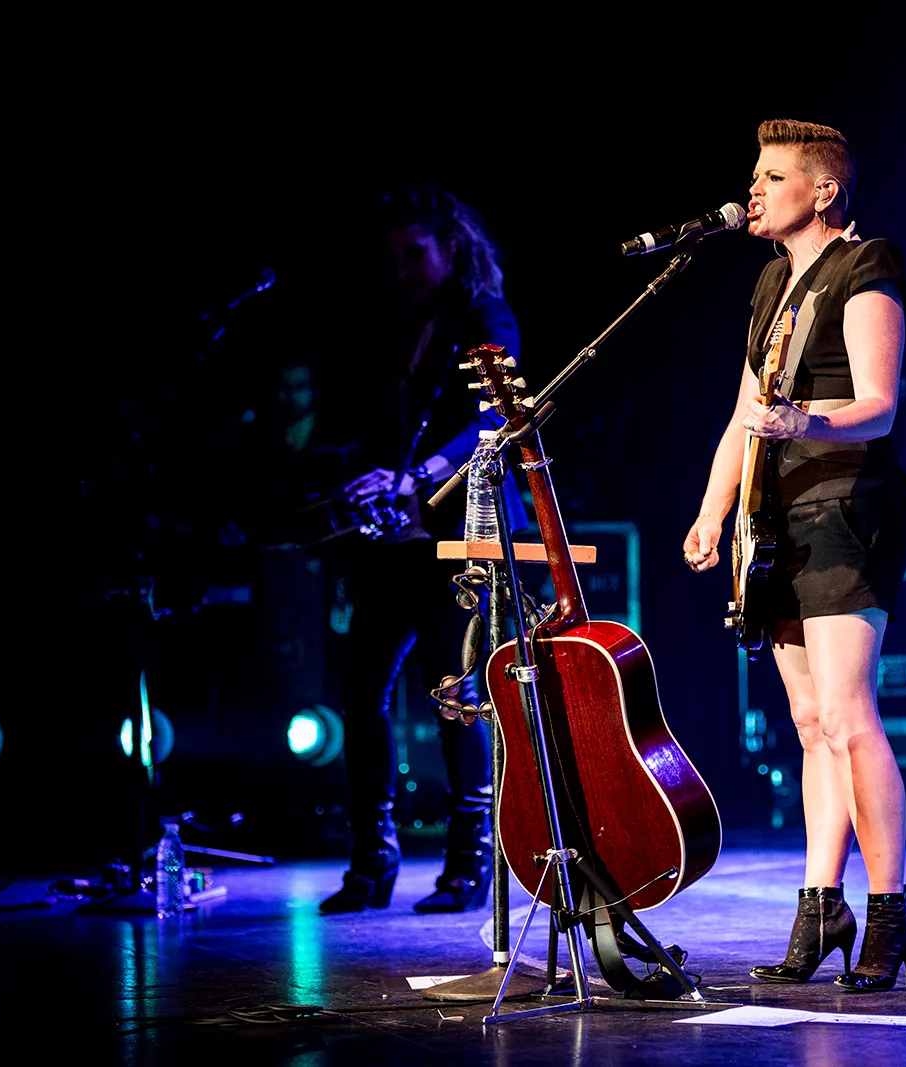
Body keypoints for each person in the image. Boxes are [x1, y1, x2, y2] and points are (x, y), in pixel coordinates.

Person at [683, 119, 906, 990]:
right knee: (811, 720)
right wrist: (713, 511)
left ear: (822, 191)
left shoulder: (867, 264)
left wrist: (803, 419)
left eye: (771, 177)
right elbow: (744, 413)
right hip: (774, 520)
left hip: (846, 509)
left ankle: (889, 911)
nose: (753, 190)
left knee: (850, 714)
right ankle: (822, 907)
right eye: (754, 176)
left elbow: (879, 404)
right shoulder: (771, 284)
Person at [314, 184, 529, 914]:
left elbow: (496, 416)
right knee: (359, 690)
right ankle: (371, 857)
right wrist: (360, 472)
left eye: (415, 254)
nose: (402, 270)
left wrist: (423, 472)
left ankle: (469, 861)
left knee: (453, 692)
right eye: (392, 259)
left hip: (461, 527)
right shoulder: (393, 322)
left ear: (452, 247)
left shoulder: (482, 314)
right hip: (396, 539)